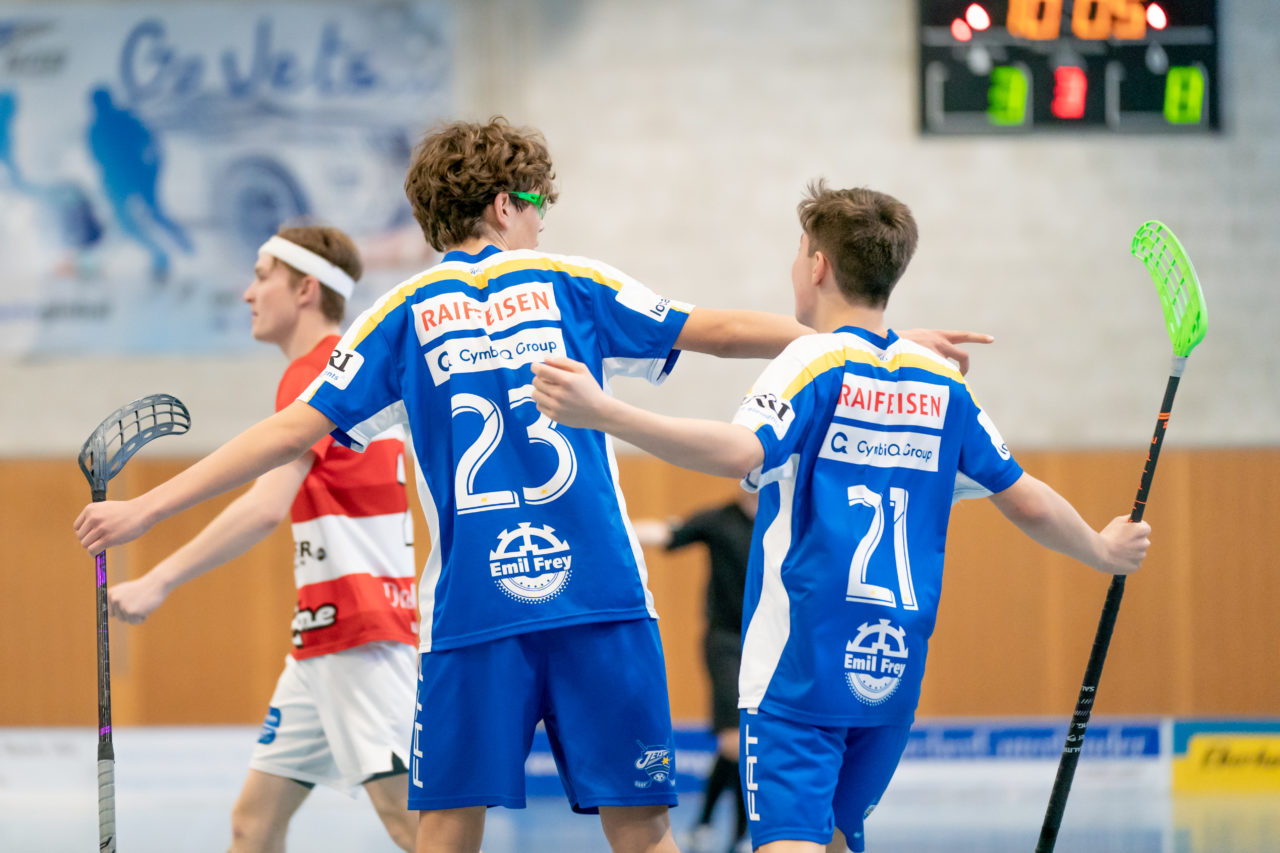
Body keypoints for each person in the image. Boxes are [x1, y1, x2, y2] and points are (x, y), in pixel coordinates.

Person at [75, 118, 988, 853]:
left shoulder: (400, 313)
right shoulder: (569, 282)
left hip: (473, 617)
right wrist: (884, 348)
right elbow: (715, 329)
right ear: (509, 206)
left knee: (442, 834)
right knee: (645, 832)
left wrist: (145, 507)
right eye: (540, 203)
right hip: (601, 603)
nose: (545, 220)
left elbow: (288, 432)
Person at [528, 180, 1153, 853]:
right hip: (888, 675)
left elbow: (742, 449)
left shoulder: (811, 362)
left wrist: (606, 413)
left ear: (818, 265)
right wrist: (1101, 547)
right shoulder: (941, 381)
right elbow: (1024, 496)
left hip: (799, 675)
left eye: (799, 254)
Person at [104, 224, 419, 853]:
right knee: (254, 822)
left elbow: (265, 506)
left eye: (262, 276)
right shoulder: (352, 369)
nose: (248, 293)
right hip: (323, 636)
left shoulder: (316, 375)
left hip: (359, 631)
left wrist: (158, 576)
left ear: (305, 289)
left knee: (415, 828)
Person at [634, 492, 756, 853]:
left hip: (771, 642)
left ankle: (713, 825)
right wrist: (610, 525)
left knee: (747, 743)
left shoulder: (785, 519)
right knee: (734, 740)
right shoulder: (719, 520)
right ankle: (732, 832)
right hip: (726, 643)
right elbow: (665, 534)